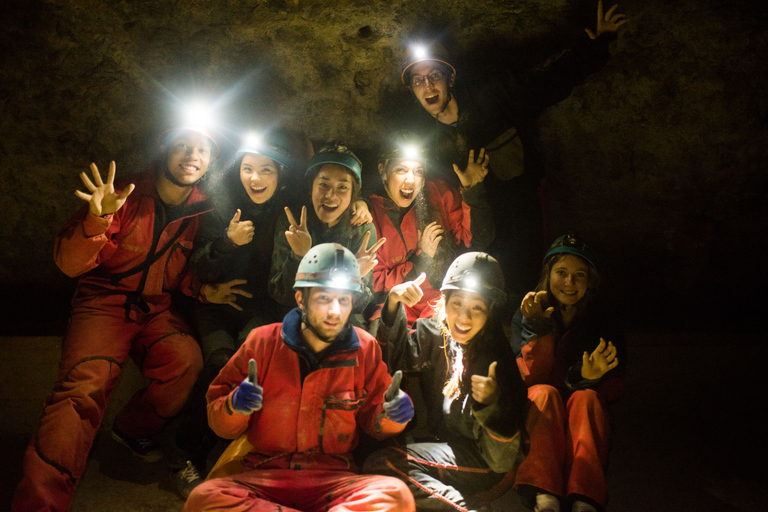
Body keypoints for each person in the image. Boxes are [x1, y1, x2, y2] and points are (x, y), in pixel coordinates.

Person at [11, 125, 241, 511]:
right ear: (164, 149)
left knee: (186, 362)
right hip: (103, 302)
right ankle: (38, 503)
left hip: (154, 307)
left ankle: (132, 429)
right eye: (182, 145)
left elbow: (175, 268)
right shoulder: (124, 196)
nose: (191, 155)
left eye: (202, 149)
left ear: (210, 162)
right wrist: (96, 221)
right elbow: (70, 264)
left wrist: (204, 291)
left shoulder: (200, 209)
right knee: (81, 392)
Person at [398, 1, 629, 308]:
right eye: (418, 80)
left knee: (525, 289)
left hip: (522, 211)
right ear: (413, 90)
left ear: (450, 78)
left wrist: (596, 45)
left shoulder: (493, 98)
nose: (427, 85)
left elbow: (549, 83)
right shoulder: (424, 141)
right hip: (477, 228)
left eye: (434, 76)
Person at [184, 243, 416, 512]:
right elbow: (219, 419)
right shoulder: (262, 342)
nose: (334, 311)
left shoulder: (365, 349)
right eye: (323, 298)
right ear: (301, 299)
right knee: (204, 499)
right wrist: (234, 406)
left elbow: (374, 421)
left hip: (334, 481)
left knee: (396, 495)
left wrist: (392, 417)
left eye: (343, 300)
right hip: (263, 475)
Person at [167, 128, 306, 497]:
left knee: (252, 364)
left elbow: (284, 288)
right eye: (248, 168)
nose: (255, 178)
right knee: (217, 360)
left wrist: (295, 254)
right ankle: (187, 453)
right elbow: (199, 268)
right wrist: (227, 243)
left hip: (260, 309)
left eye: (266, 170)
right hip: (215, 305)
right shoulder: (221, 202)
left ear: (280, 175)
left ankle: (233, 454)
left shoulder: (287, 213)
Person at [363, 252, 529, 512]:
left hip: (484, 460)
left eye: (477, 307)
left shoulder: (494, 360)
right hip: (445, 445)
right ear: (444, 302)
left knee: (385, 463)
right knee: (373, 452)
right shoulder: (439, 335)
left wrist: (492, 405)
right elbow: (391, 359)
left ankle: (464, 508)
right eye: (457, 304)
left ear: (490, 312)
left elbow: (500, 460)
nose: (464, 317)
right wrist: (393, 302)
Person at [510, 234, 626, 512]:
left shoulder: (602, 319)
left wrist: (592, 377)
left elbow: (617, 387)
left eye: (579, 275)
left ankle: (584, 499)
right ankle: (544, 495)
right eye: (561, 273)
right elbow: (524, 380)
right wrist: (538, 329)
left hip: (580, 416)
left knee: (588, 399)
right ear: (548, 274)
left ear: (591, 280)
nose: (569, 284)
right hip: (543, 413)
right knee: (543, 394)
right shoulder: (531, 311)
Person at [369, 135, 495, 324]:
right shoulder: (370, 214)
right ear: (383, 171)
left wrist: (473, 191)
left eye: (418, 171)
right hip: (396, 307)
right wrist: (421, 259)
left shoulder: (436, 192)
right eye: (401, 170)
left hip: (439, 301)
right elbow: (375, 286)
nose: (410, 180)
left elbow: (476, 239)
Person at [269, 141, 385, 326]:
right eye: (323, 184)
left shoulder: (362, 230)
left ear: (353, 194)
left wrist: (355, 274)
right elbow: (280, 295)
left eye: (342, 188)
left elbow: (361, 305)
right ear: (311, 188)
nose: (331, 195)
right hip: (298, 316)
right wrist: (298, 257)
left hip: (343, 320)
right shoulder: (293, 224)